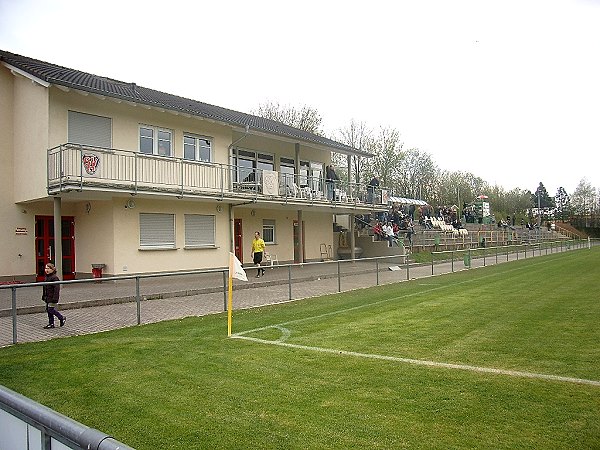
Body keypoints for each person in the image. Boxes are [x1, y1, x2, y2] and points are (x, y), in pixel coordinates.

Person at [42, 263, 65, 329]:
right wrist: (44, 296)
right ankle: (51, 323)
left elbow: (56, 289)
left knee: (50, 309)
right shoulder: (46, 277)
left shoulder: (54, 278)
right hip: (47, 297)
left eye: (48, 268)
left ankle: (61, 317)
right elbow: (44, 287)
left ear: (52, 269)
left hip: (52, 297)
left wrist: (55, 298)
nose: (46, 270)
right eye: (46, 268)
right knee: (48, 310)